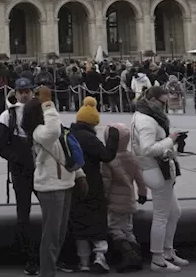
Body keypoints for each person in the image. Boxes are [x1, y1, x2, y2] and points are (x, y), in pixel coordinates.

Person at [131, 85, 184, 272]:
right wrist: (170, 140)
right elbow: (147, 148)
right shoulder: (148, 121)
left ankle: (167, 252)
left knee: (174, 212)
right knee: (162, 216)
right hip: (157, 171)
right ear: (153, 100)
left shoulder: (143, 115)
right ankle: (158, 258)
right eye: (163, 102)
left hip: (158, 170)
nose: (165, 106)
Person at [28, 86, 79, 277]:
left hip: (65, 183)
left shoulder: (49, 128)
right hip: (50, 186)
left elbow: (65, 151)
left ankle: (51, 268)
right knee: (51, 235)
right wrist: (48, 104)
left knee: (59, 234)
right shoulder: (39, 131)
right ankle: (47, 273)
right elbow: (53, 132)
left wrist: (78, 174)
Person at [69, 98, 118, 273]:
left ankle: (83, 262)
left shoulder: (70, 135)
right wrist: (113, 138)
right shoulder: (90, 138)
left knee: (79, 223)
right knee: (97, 222)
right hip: (93, 183)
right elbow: (106, 155)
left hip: (74, 184)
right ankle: (100, 256)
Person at [0, 77, 38, 275]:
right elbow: (1, 146)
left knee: (52, 211)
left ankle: (50, 254)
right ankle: (30, 257)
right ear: (16, 93)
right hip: (20, 170)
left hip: (41, 168)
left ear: (32, 92)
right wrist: (16, 157)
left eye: (27, 90)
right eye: (21, 91)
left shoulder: (42, 111)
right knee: (23, 214)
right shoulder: (6, 116)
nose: (24, 94)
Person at [101, 122, 146, 272]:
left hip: (114, 203)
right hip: (129, 201)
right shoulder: (132, 157)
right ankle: (137, 255)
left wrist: (104, 198)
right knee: (128, 229)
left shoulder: (108, 159)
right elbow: (140, 179)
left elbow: (106, 182)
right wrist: (142, 194)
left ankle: (129, 255)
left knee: (115, 229)